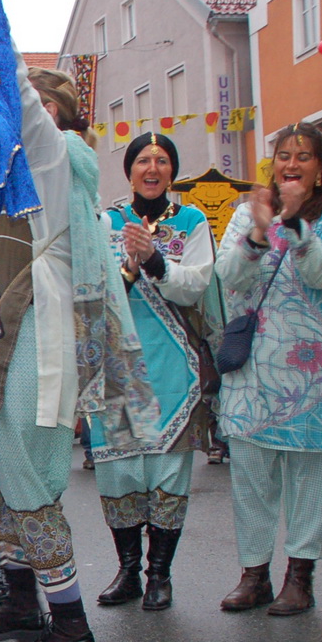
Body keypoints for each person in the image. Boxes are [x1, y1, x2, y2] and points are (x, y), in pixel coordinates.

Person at [0, 60, 157, 642]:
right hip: (8, 341)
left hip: (39, 347)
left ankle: (72, 629)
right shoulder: (17, 178)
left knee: (30, 488)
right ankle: (25, 603)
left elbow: (21, 105)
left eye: (32, 107)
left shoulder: (60, 154)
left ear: (53, 115)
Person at [214, 124, 322, 617]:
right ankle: (254, 575)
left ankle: (300, 577)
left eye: (304, 156)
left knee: (311, 477)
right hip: (253, 367)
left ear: (321, 169)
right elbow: (229, 276)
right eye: (284, 155)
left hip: (319, 371)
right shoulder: (246, 212)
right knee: (251, 476)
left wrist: (294, 225)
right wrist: (259, 231)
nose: (291, 164)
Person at [90, 132, 217, 612]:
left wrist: (155, 258)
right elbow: (95, 285)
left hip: (172, 362)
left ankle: (159, 574)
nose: (152, 168)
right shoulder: (108, 221)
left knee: (167, 468)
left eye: (162, 160)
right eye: (143, 160)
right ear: (129, 171)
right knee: (120, 469)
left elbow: (195, 285)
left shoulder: (192, 220)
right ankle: (127, 571)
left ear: (172, 171)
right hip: (118, 364)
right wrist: (126, 264)